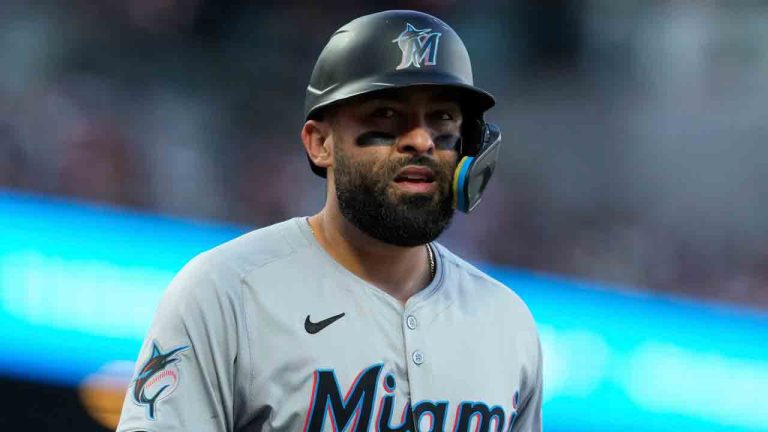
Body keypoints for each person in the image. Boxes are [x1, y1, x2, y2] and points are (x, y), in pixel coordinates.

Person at [117, 9, 542, 432]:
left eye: (443, 118)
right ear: (320, 143)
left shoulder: (506, 322)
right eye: (387, 116)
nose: (421, 140)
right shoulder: (227, 292)